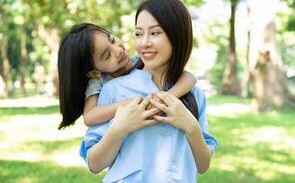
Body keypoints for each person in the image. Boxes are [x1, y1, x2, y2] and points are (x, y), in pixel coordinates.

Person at [80, 0, 218, 183]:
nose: (144, 43)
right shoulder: (115, 89)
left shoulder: (194, 94)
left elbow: (203, 165)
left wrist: (191, 126)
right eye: (138, 34)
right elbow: (94, 164)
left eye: (154, 33)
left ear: (177, 34)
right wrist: (120, 128)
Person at [57, 23, 197, 130]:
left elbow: (189, 78)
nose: (117, 50)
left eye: (112, 40)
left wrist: (163, 99)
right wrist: (129, 103)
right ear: (94, 72)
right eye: (107, 55)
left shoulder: (142, 61)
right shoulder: (99, 81)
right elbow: (89, 116)